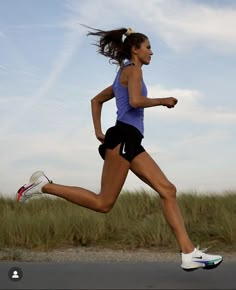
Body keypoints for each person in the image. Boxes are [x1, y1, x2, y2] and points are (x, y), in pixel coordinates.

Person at [16, 26, 223, 271]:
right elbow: (135, 101)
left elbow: (96, 100)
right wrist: (162, 100)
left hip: (128, 139)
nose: (152, 52)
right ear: (135, 50)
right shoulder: (133, 71)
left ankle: (189, 254)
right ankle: (43, 185)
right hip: (124, 137)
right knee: (103, 203)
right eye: (148, 47)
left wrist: (98, 132)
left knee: (168, 190)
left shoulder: (123, 73)